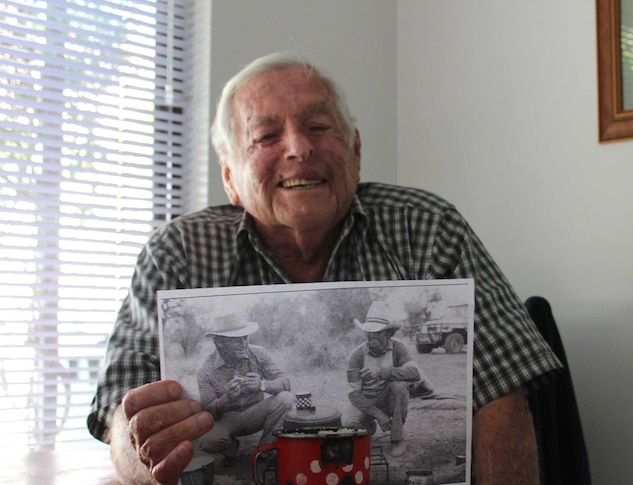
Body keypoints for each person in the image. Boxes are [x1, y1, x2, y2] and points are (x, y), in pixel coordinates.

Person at [87, 51, 562, 485]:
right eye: (266, 136)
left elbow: (501, 393)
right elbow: (120, 408)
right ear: (230, 177)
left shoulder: (428, 227)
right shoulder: (178, 252)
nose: (298, 148)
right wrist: (137, 442)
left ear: (355, 152)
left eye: (318, 127)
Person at [195, 317, 293, 465]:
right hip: (227, 418)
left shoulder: (258, 353)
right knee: (207, 441)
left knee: (285, 398)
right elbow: (208, 412)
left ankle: (265, 451)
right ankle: (231, 448)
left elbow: (284, 382)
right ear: (220, 342)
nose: (244, 343)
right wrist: (226, 399)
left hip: (256, 412)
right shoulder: (206, 371)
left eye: (245, 337)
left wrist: (262, 385)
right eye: (236, 339)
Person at [344, 301, 421, 458]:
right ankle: (368, 424)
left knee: (399, 386)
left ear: (388, 333)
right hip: (366, 401)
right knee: (346, 425)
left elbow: (414, 373)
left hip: (389, 399)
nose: (372, 337)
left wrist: (382, 372)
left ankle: (397, 438)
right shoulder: (356, 355)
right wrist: (378, 414)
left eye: (378, 332)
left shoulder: (399, 348)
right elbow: (353, 394)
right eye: (369, 332)